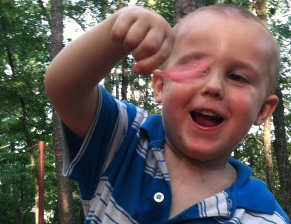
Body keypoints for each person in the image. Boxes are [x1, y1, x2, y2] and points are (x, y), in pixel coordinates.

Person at [44, 3, 290, 224]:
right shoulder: (124, 139)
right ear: (161, 86)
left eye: (237, 77)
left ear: (263, 109)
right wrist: (116, 33)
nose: (213, 86)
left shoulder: (262, 217)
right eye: (196, 68)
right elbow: (64, 90)